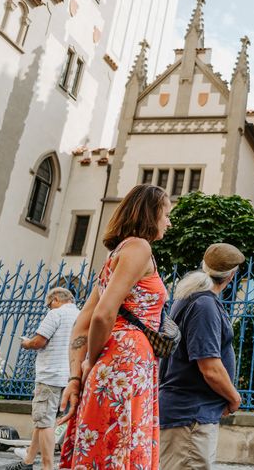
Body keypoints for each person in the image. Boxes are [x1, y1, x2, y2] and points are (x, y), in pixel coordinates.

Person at [57, 184, 171, 469]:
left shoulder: (114, 256)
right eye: (166, 214)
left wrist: (77, 376)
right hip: (125, 363)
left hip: (114, 362)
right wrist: (92, 362)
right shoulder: (140, 248)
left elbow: (81, 324)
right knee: (121, 446)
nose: (168, 222)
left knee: (105, 446)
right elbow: (101, 316)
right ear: (151, 213)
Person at [159, 243, 245, 470]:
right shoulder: (204, 304)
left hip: (188, 413)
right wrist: (234, 398)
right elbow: (210, 367)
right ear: (231, 275)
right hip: (191, 417)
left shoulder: (188, 297)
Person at [6, 287, 78, 470]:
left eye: (49, 304)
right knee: (43, 419)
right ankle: (28, 461)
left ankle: (47, 466)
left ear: (55, 299)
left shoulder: (55, 315)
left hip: (50, 376)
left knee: (45, 422)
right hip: (70, 377)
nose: (48, 308)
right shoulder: (80, 314)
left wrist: (26, 343)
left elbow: (39, 341)